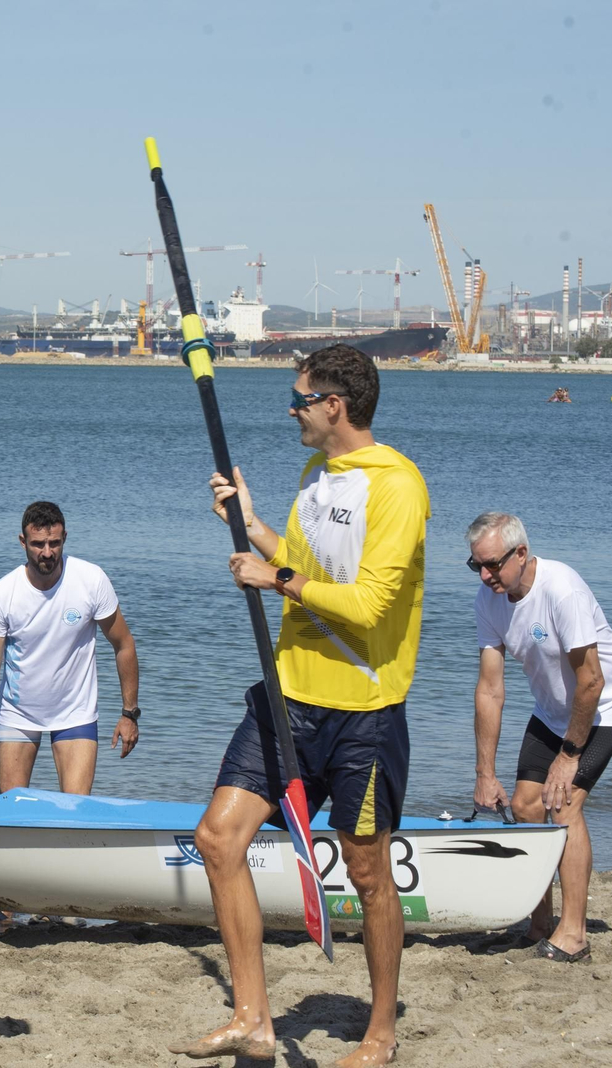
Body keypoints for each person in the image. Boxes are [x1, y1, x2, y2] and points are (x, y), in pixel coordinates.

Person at [174, 344, 429, 1068]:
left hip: (363, 713)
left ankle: (379, 1033)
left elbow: (371, 603)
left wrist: (273, 575)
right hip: (288, 697)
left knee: (368, 871)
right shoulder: (319, 474)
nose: (291, 409)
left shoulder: (397, 486)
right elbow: (311, 566)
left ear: (333, 405)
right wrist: (254, 527)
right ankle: (252, 1016)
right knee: (219, 838)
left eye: (299, 398)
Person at [467, 511, 612, 963]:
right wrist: (485, 772)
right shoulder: (490, 601)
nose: (485, 576)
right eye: (476, 566)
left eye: (492, 565)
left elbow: (592, 681)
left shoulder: (562, 589)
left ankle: (575, 934)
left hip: (606, 704)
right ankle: (538, 922)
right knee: (525, 806)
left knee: (562, 804)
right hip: (553, 710)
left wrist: (569, 755)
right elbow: (490, 689)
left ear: (521, 553)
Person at [0, 501, 141, 794]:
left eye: (54, 543)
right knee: (12, 816)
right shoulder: (4, 594)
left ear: (64, 538)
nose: (47, 552)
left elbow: (124, 645)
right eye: (38, 544)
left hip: (75, 713)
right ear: (22, 542)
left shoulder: (91, 580)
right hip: (18, 714)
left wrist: (129, 713)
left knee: (76, 813)